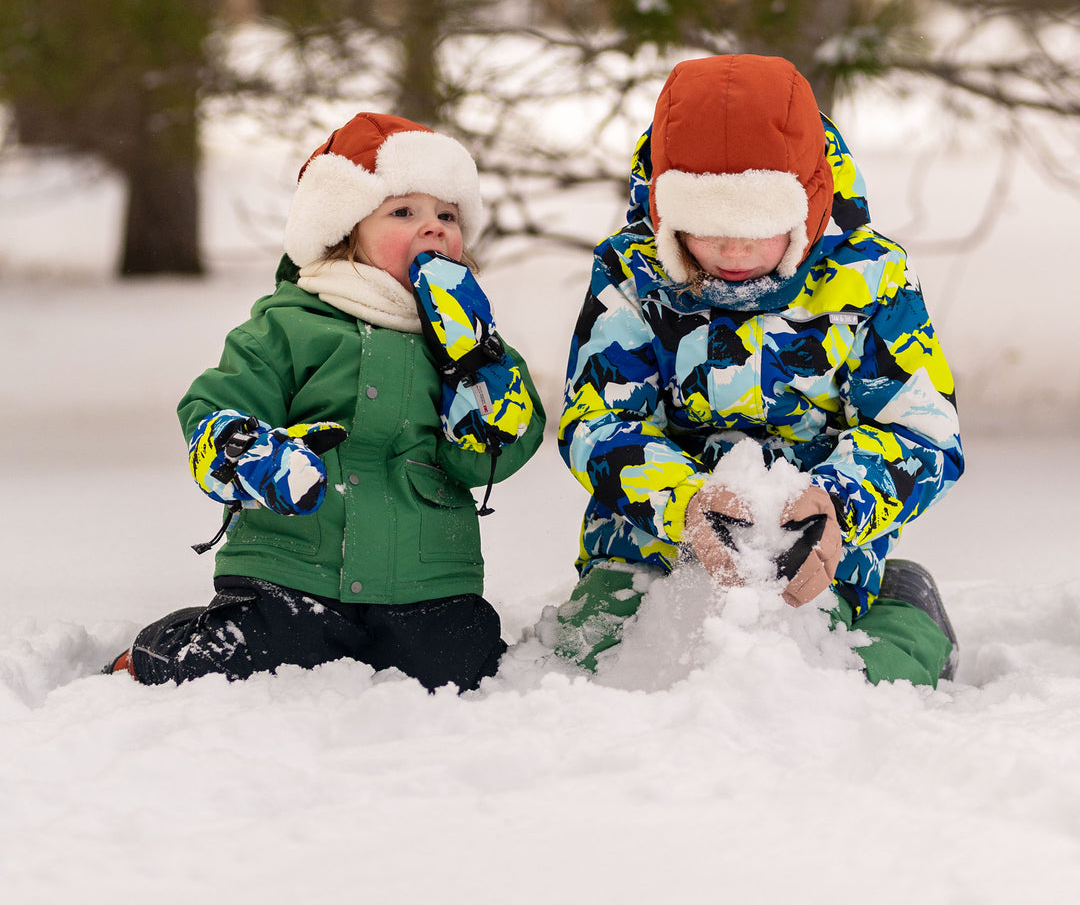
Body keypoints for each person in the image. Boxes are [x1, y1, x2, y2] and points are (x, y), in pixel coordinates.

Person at [554, 54, 963, 687]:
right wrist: (681, 500)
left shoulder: (870, 276)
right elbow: (596, 419)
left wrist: (842, 501)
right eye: (709, 229)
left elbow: (923, 431)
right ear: (668, 214)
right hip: (651, 546)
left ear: (806, 207)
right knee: (590, 671)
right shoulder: (632, 275)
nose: (735, 249)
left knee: (858, 679)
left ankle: (905, 603)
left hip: (816, 549)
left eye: (758, 227)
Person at [105, 112, 545, 691]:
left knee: (466, 669)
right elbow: (216, 401)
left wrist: (480, 372)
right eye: (403, 212)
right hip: (294, 569)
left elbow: (481, 459)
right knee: (249, 655)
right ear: (343, 231)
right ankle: (158, 652)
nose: (434, 228)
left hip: (426, 577)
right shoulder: (291, 325)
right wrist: (246, 449)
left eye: (448, 215)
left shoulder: (473, 342)